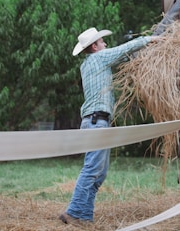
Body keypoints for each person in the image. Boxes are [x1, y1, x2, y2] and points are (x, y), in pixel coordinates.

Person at [59, 27, 155, 225]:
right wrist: (151, 39)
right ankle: (73, 212)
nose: (106, 44)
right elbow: (125, 48)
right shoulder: (98, 58)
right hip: (97, 122)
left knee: (99, 173)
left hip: (95, 122)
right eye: (103, 42)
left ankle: (84, 217)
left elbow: (123, 57)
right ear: (95, 47)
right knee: (92, 169)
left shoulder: (89, 63)